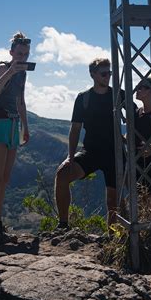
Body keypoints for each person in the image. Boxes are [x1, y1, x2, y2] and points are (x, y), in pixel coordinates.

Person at [55, 57, 121, 229]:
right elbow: (75, 129)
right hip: (91, 151)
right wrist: (70, 157)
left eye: (110, 73)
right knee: (62, 175)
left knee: (113, 201)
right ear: (93, 75)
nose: (108, 77)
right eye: (104, 73)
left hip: (115, 152)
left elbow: (136, 117)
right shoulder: (83, 98)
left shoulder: (118, 95)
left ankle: (113, 238)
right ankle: (63, 225)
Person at [0, 31, 30, 245]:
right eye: (19, 53)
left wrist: (25, 127)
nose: (23, 58)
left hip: (13, 125)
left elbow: (21, 101)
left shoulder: (23, 73)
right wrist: (10, 71)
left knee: (4, 180)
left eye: (26, 54)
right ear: (11, 52)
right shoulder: (3, 67)